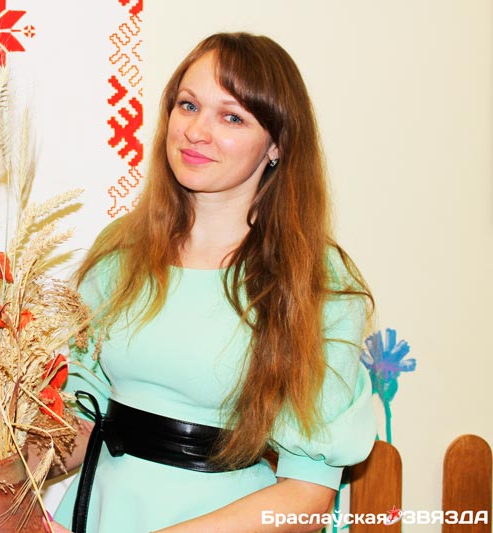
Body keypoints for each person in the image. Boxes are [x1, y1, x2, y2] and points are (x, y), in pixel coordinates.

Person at [48, 32, 377, 533]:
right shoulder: (121, 249)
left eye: (232, 117)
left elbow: (308, 496)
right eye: (188, 105)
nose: (196, 131)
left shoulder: (316, 281)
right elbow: (83, 409)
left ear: (276, 144)